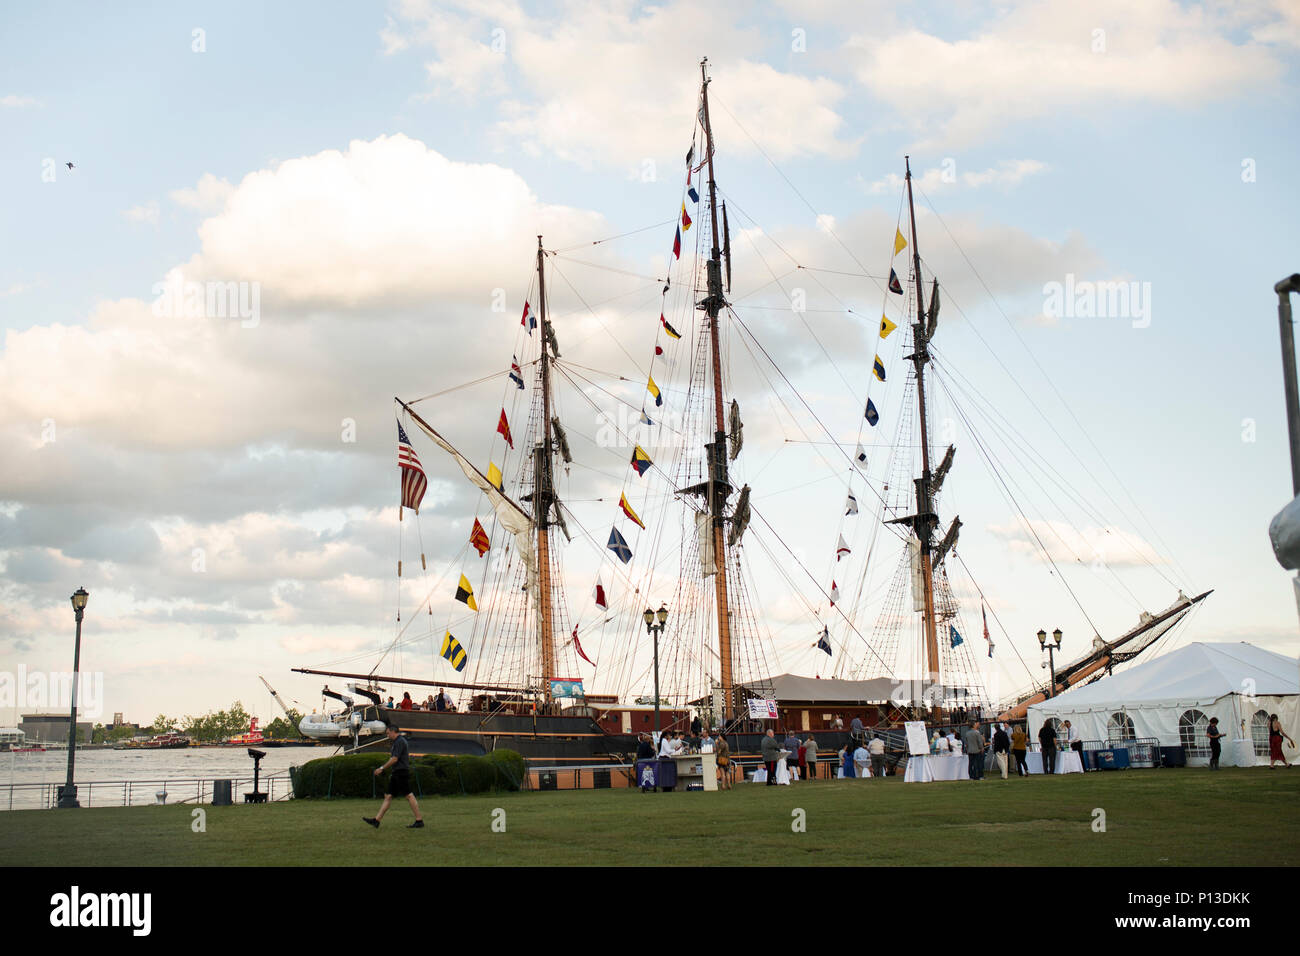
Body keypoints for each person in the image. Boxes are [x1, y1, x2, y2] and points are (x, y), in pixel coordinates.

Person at [363, 724, 423, 829]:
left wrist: (381, 768)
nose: (387, 735)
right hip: (396, 772)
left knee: (409, 795)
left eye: (388, 733)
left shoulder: (400, 742)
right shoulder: (397, 742)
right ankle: (376, 820)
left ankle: (419, 820)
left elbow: (395, 759)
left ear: (392, 731)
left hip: (401, 772)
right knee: (388, 796)